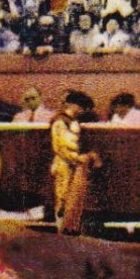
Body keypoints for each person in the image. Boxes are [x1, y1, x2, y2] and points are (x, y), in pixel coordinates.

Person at [51, 90, 101, 234]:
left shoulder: (69, 121)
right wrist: (81, 158)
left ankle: (66, 229)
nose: (81, 111)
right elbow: (62, 149)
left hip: (70, 164)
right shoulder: (61, 121)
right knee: (63, 198)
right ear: (73, 105)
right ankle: (62, 231)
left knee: (68, 199)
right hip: (64, 164)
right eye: (81, 107)